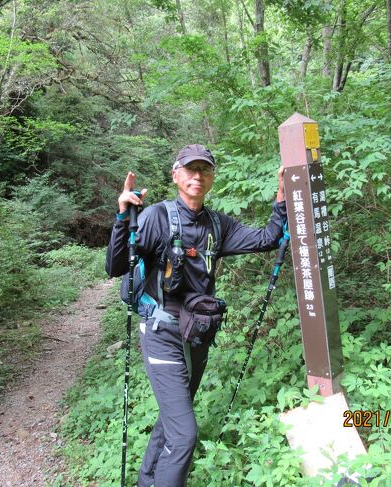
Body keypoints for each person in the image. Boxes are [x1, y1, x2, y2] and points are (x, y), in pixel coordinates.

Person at [106, 144, 286, 487]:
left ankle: (148, 481)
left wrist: (281, 195)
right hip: (161, 333)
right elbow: (115, 266)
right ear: (176, 175)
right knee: (185, 435)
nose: (197, 176)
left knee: (174, 421)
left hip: (196, 335)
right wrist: (122, 218)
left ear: (212, 177)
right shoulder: (157, 217)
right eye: (190, 169)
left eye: (204, 170)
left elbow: (267, 238)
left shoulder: (218, 224)